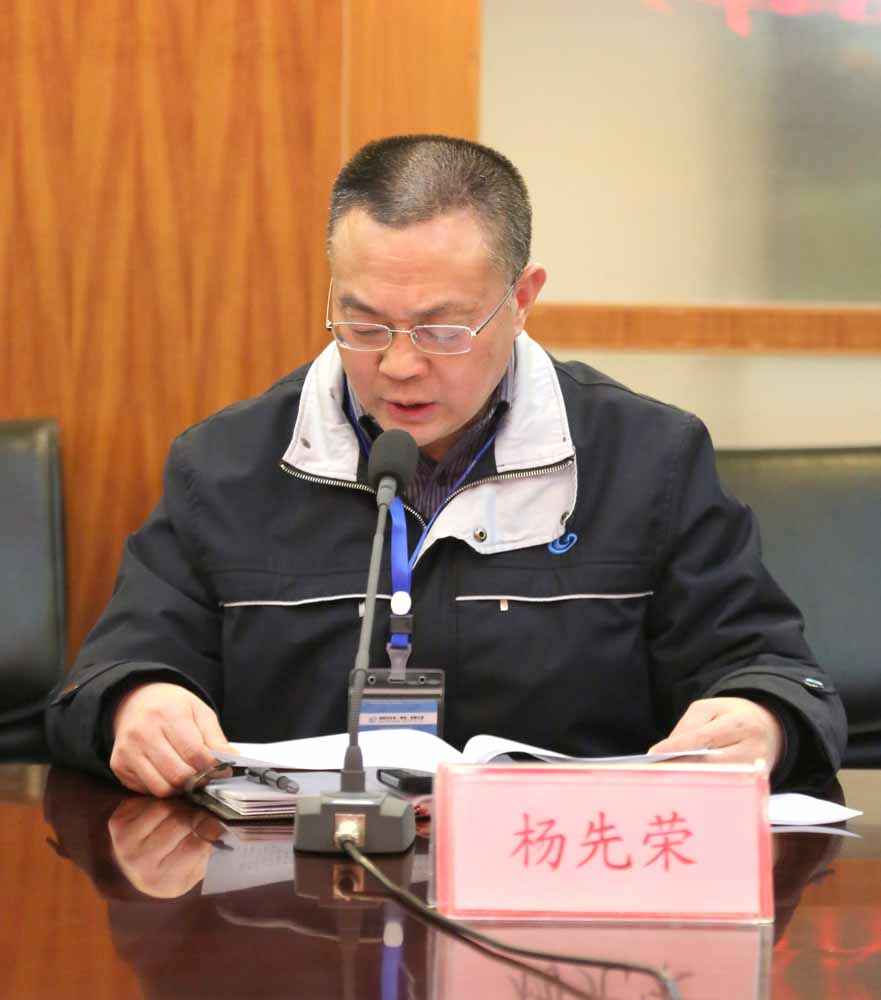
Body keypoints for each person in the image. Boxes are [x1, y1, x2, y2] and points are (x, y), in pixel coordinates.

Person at [46, 135, 847, 797]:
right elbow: (110, 673)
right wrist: (136, 703)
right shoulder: (227, 465)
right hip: (293, 889)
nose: (399, 366)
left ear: (522, 299)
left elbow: (767, 669)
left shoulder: (646, 458)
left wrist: (759, 718)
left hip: (560, 891)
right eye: (362, 325)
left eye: (442, 331)